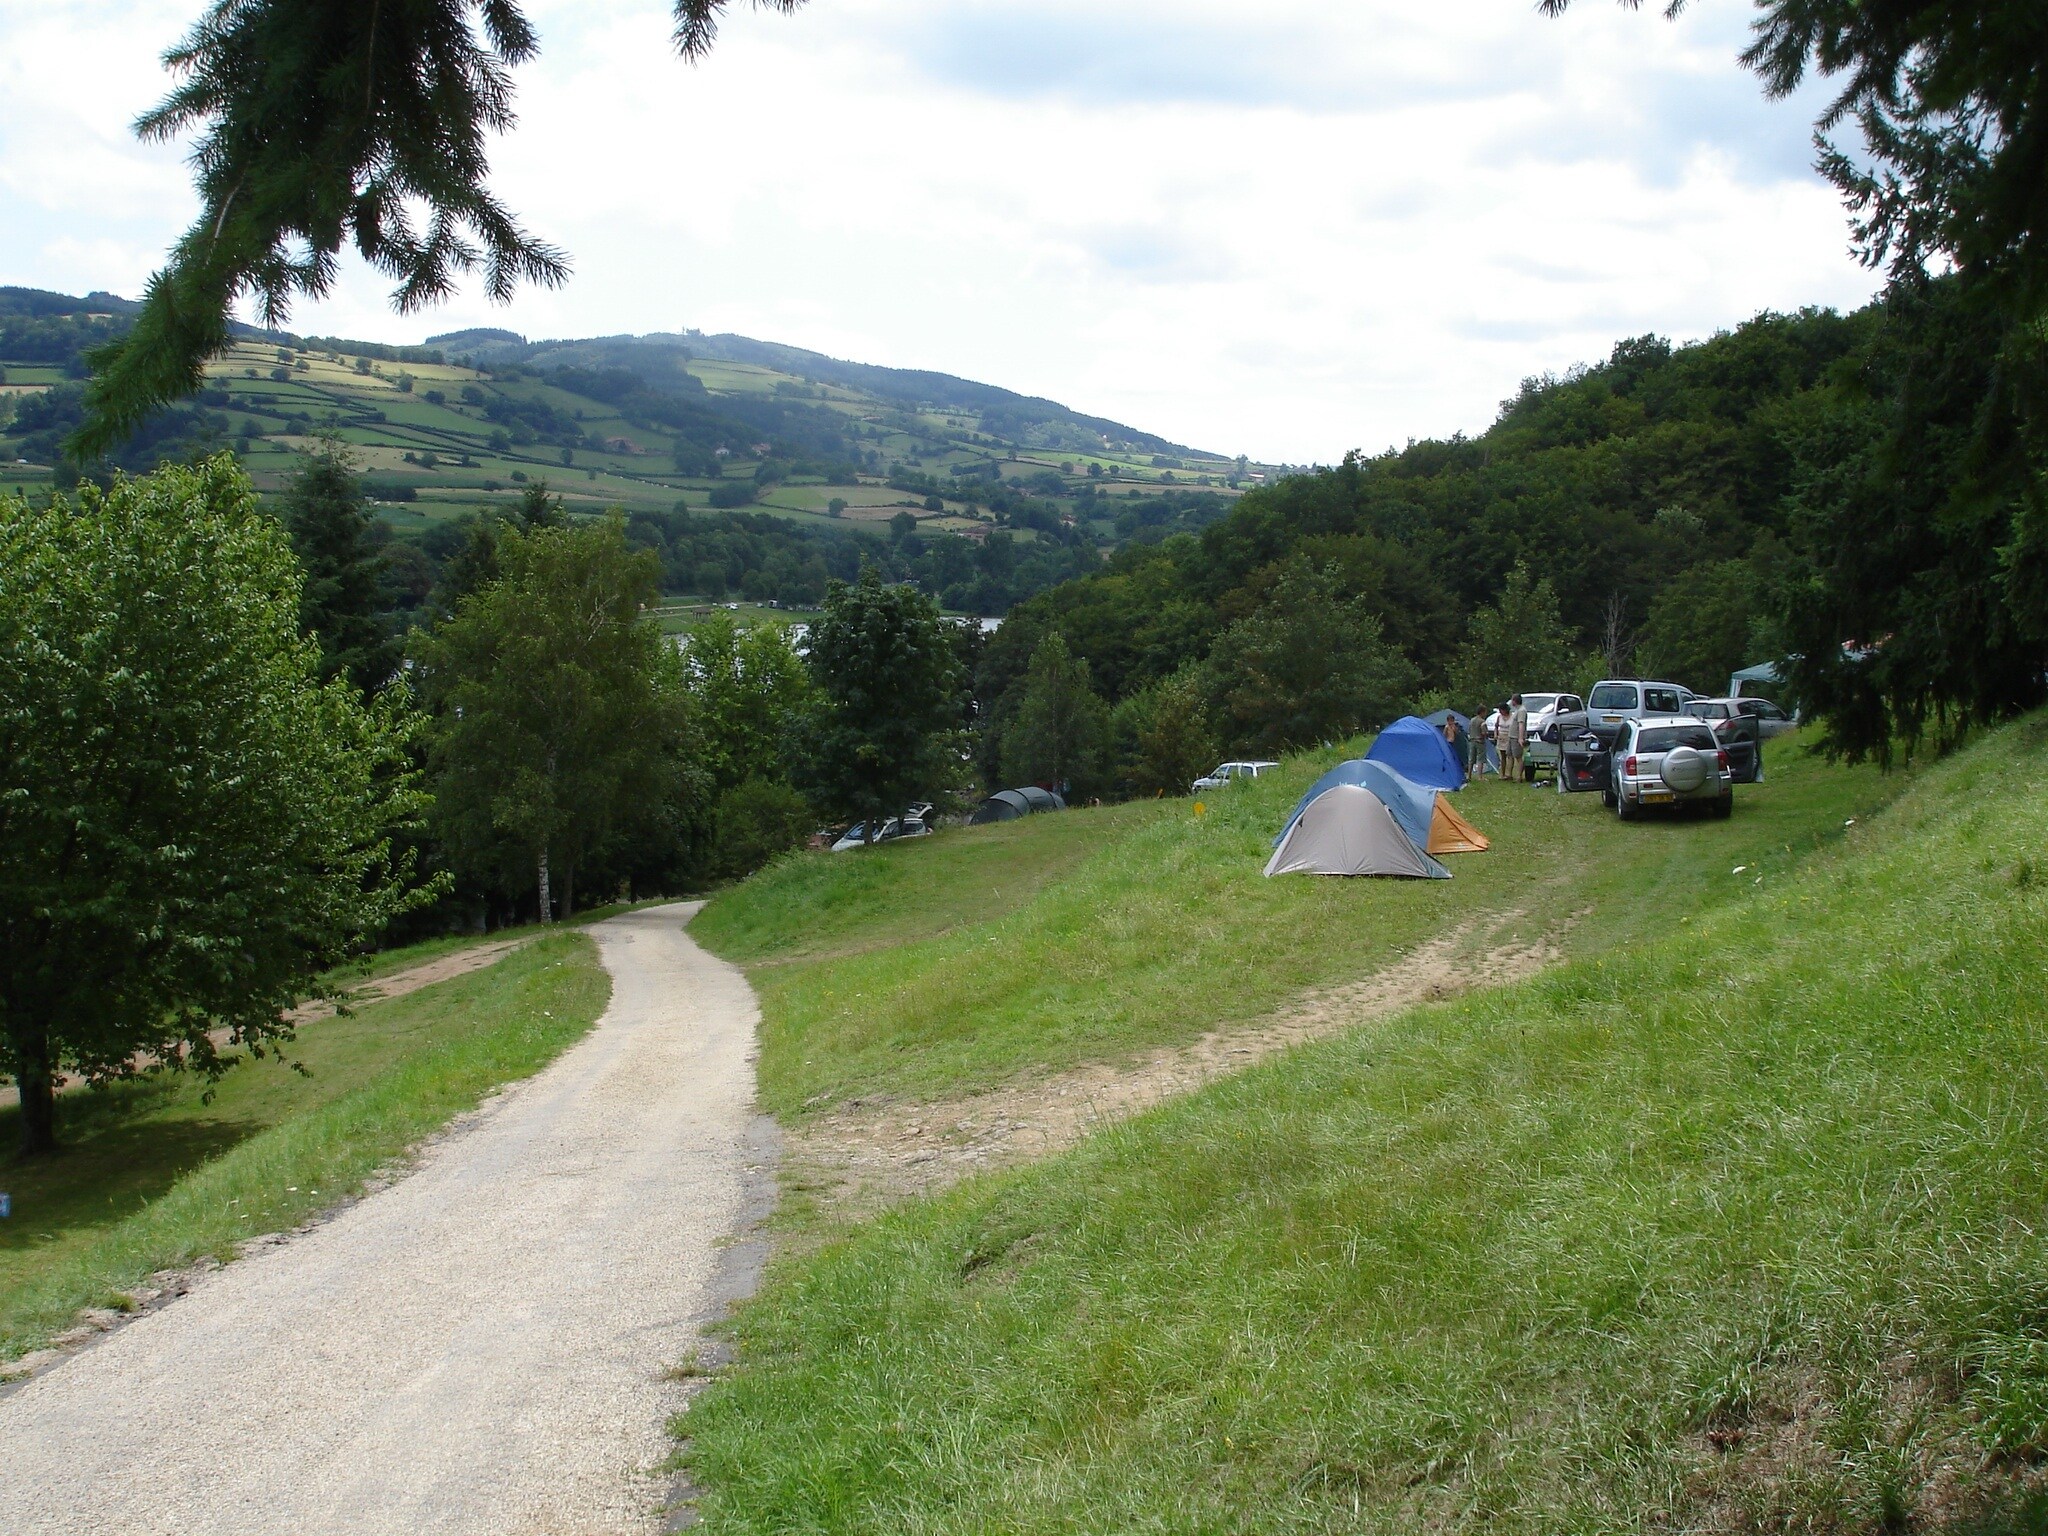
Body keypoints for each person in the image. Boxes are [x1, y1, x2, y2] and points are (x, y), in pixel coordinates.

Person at [1502, 694, 1528, 783]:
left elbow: (1521, 724)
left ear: (1514, 701)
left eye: (1512, 700)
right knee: (1509, 755)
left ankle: (1519, 776)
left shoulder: (1522, 711)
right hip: (1511, 736)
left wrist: (1520, 738)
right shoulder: (1517, 710)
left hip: (1516, 737)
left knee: (1518, 756)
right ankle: (1509, 774)